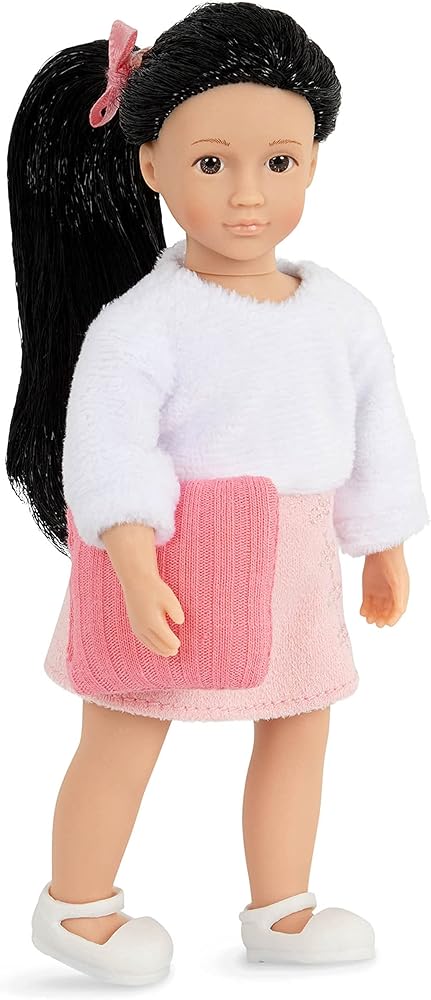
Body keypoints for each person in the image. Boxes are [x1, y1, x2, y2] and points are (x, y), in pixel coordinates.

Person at [6, 2, 428, 986]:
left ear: (311, 163)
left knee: (299, 720)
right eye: (210, 163)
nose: (247, 195)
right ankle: (76, 905)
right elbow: (111, 445)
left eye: (277, 162)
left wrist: (382, 543)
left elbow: (376, 428)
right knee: (125, 725)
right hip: (174, 558)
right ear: (151, 165)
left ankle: (281, 907)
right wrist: (131, 554)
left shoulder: (342, 313)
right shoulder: (140, 324)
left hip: (294, 558)